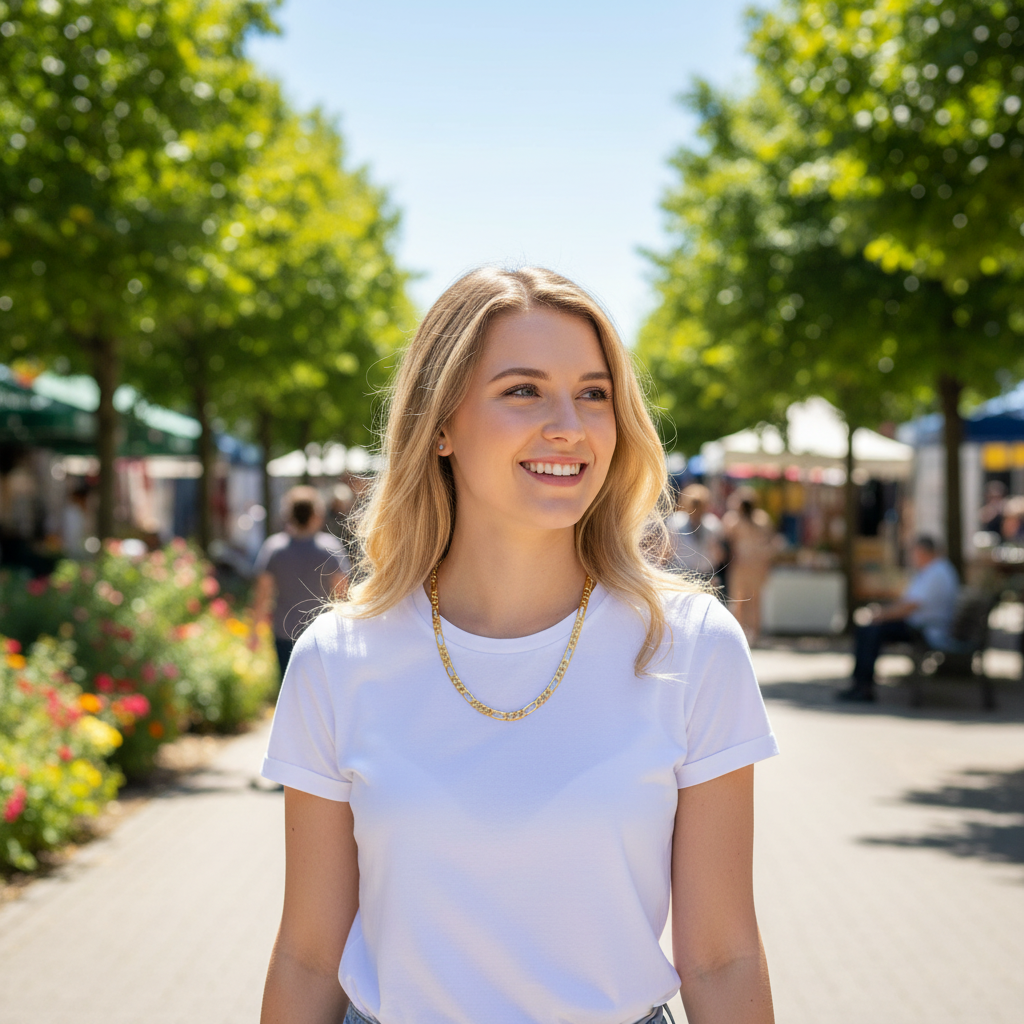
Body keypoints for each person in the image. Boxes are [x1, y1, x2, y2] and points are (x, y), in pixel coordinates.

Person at [259, 267, 779, 1024]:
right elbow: (308, 958)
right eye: (523, 390)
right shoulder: (339, 659)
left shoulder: (693, 647)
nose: (569, 423)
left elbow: (723, 958)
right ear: (440, 424)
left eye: (594, 393)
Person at [840, 534, 960, 703]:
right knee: (869, 628)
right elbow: (907, 601)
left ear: (923, 552)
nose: (912, 557)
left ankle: (863, 687)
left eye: (914, 552)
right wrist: (882, 613)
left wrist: (880, 615)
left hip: (926, 630)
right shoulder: (932, 570)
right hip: (921, 626)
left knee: (872, 629)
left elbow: (910, 606)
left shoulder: (936, 572)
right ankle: (860, 685)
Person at [252, 486, 350, 678]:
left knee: (288, 688)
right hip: (321, 634)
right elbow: (343, 595)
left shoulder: (274, 549)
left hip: (284, 632)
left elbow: (262, 594)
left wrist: (254, 631)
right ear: (316, 515)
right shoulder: (330, 549)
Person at [722, 489, 777, 645]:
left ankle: (740, 635)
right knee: (753, 601)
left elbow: (727, 537)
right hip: (755, 566)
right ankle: (754, 634)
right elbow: (770, 542)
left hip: (742, 566)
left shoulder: (735, 520)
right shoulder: (762, 519)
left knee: (740, 601)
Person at [665, 483, 723, 582]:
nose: (697, 510)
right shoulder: (675, 523)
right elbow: (667, 553)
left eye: (700, 505)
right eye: (694, 505)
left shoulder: (712, 525)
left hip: (706, 575)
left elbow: (718, 555)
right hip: (681, 576)